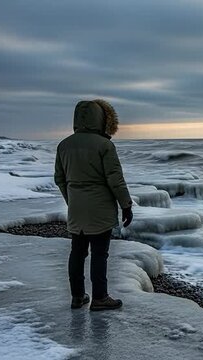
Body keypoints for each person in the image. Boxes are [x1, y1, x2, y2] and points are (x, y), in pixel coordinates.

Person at [54, 99, 134, 311]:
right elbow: (115, 179)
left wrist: (72, 200)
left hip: (76, 209)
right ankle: (100, 297)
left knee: (77, 253)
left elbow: (59, 179)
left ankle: (77, 296)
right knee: (100, 253)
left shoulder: (64, 145)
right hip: (100, 209)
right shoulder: (104, 145)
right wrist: (126, 204)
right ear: (102, 119)